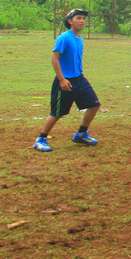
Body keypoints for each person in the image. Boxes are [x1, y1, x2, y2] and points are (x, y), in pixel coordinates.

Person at [33, 8, 101, 152]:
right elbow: (54, 58)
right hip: (65, 80)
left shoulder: (79, 38)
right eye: (78, 18)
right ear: (70, 21)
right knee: (58, 113)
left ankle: (81, 134)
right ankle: (41, 139)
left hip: (79, 78)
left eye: (83, 18)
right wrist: (62, 80)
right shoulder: (64, 37)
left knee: (94, 104)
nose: (82, 21)